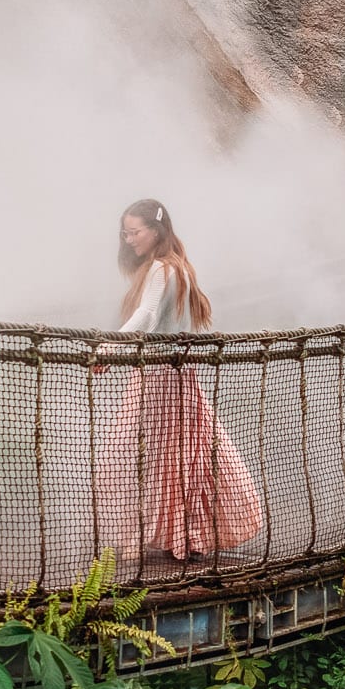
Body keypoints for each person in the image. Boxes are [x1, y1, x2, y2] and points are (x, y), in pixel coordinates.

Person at [94, 199, 263, 571]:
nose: (128, 240)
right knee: (178, 457)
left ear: (155, 231)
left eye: (134, 232)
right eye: (125, 232)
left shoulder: (161, 269)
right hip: (177, 374)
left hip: (159, 376)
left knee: (126, 456)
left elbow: (148, 314)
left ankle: (150, 538)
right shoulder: (179, 268)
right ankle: (179, 536)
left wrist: (108, 346)